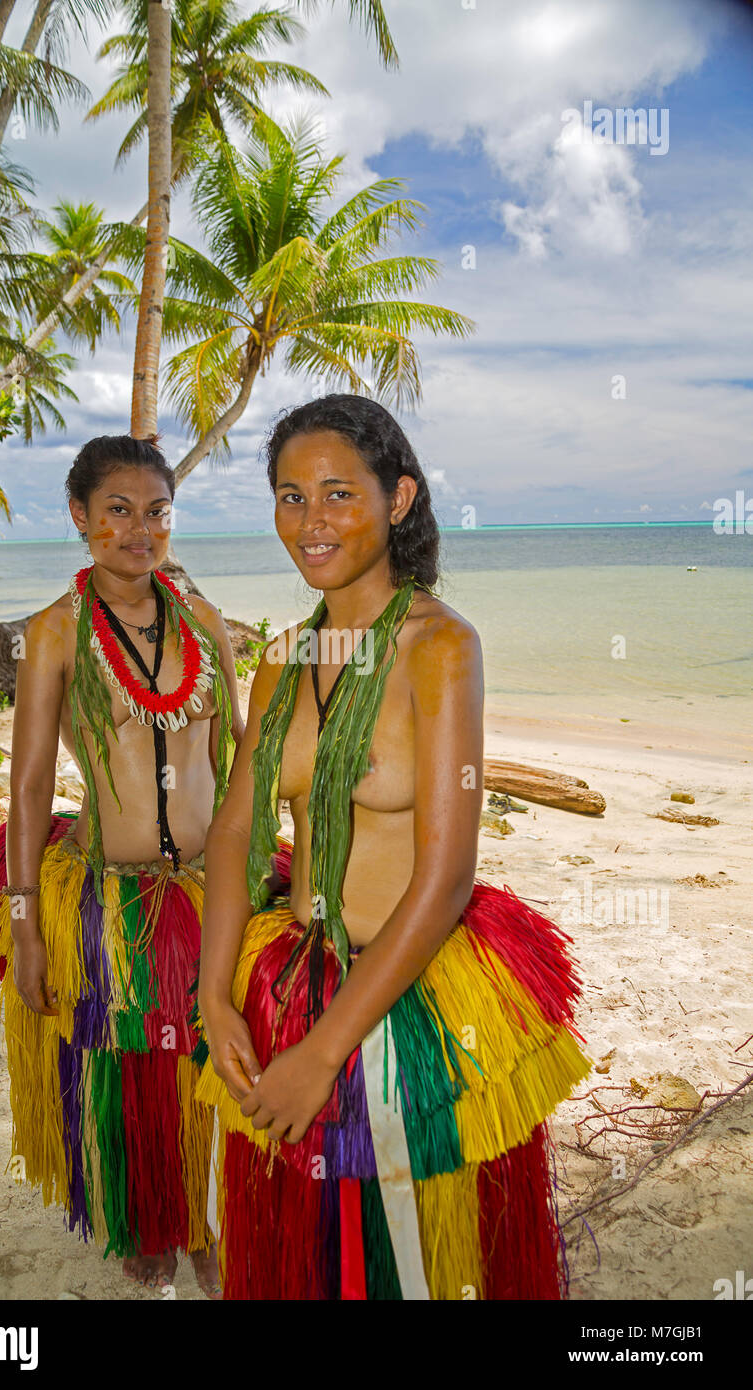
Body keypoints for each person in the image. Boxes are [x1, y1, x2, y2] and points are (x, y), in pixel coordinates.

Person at [195, 395, 591, 1300]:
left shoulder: (440, 648)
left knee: (417, 1255)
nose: (312, 521)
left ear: (399, 498)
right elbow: (234, 833)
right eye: (290, 497)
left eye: (339, 493)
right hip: (288, 978)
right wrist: (214, 994)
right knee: (304, 1254)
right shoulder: (284, 657)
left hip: (402, 991)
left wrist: (323, 1053)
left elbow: (448, 879)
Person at [0, 434, 244, 1294]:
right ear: (82, 518)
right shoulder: (55, 633)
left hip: (210, 887)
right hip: (110, 894)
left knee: (210, 1059)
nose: (138, 529)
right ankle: (147, 1219)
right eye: (117, 511)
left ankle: (209, 1220)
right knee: (127, 1075)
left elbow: (247, 755)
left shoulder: (201, 619)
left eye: (156, 511)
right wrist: (26, 930)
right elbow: (29, 787)